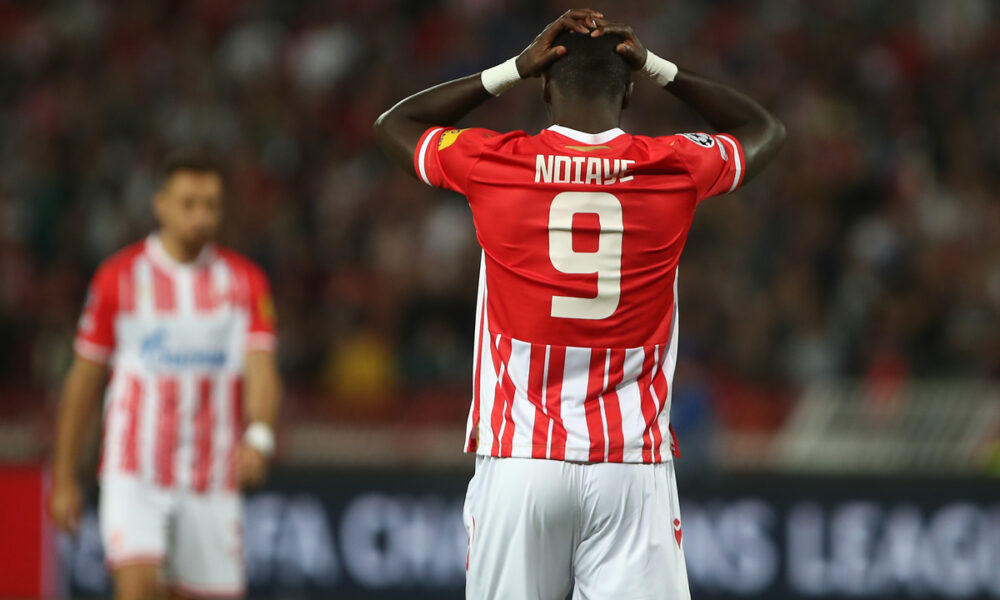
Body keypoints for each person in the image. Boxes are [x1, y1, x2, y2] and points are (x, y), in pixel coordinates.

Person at [374, 8, 784, 599]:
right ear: (629, 91)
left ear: (544, 85)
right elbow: (764, 128)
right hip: (629, 464)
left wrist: (509, 68)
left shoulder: (495, 162)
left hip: (520, 459)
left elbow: (395, 123)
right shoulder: (673, 165)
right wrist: (660, 67)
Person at [49, 151, 282, 600]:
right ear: (160, 205)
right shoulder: (119, 277)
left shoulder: (244, 282)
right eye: (189, 202)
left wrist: (259, 435)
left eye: (211, 204)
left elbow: (262, 369)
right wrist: (63, 477)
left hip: (212, 479)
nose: (201, 215)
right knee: (137, 590)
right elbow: (82, 381)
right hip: (136, 471)